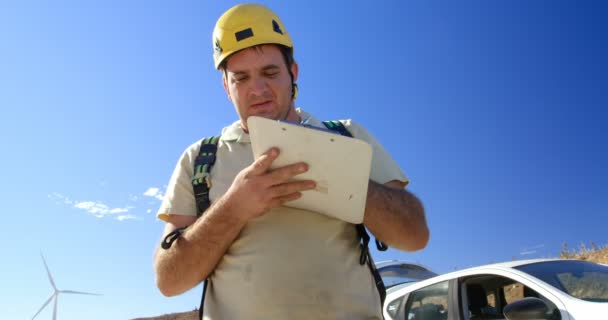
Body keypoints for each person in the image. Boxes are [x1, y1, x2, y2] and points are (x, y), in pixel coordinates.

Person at [153, 3, 429, 319]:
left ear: (292, 73)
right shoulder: (199, 159)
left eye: (270, 72)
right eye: (241, 78)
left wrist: (340, 179)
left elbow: (415, 234)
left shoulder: (347, 135)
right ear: (226, 87)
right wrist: (235, 206)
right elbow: (169, 280)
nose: (258, 90)